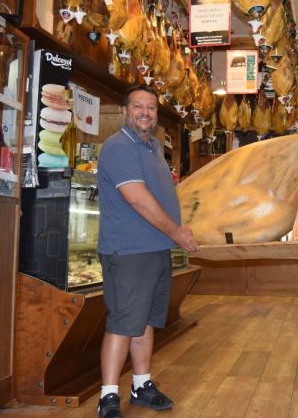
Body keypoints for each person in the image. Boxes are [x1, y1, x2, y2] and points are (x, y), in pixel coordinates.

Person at [96, 85, 199, 418]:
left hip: (156, 250)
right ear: (126, 111)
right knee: (124, 322)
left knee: (144, 322)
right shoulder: (117, 147)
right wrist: (177, 232)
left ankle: (141, 384)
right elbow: (137, 199)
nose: (145, 112)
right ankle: (108, 396)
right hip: (128, 251)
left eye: (151, 107)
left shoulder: (154, 147)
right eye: (138, 106)